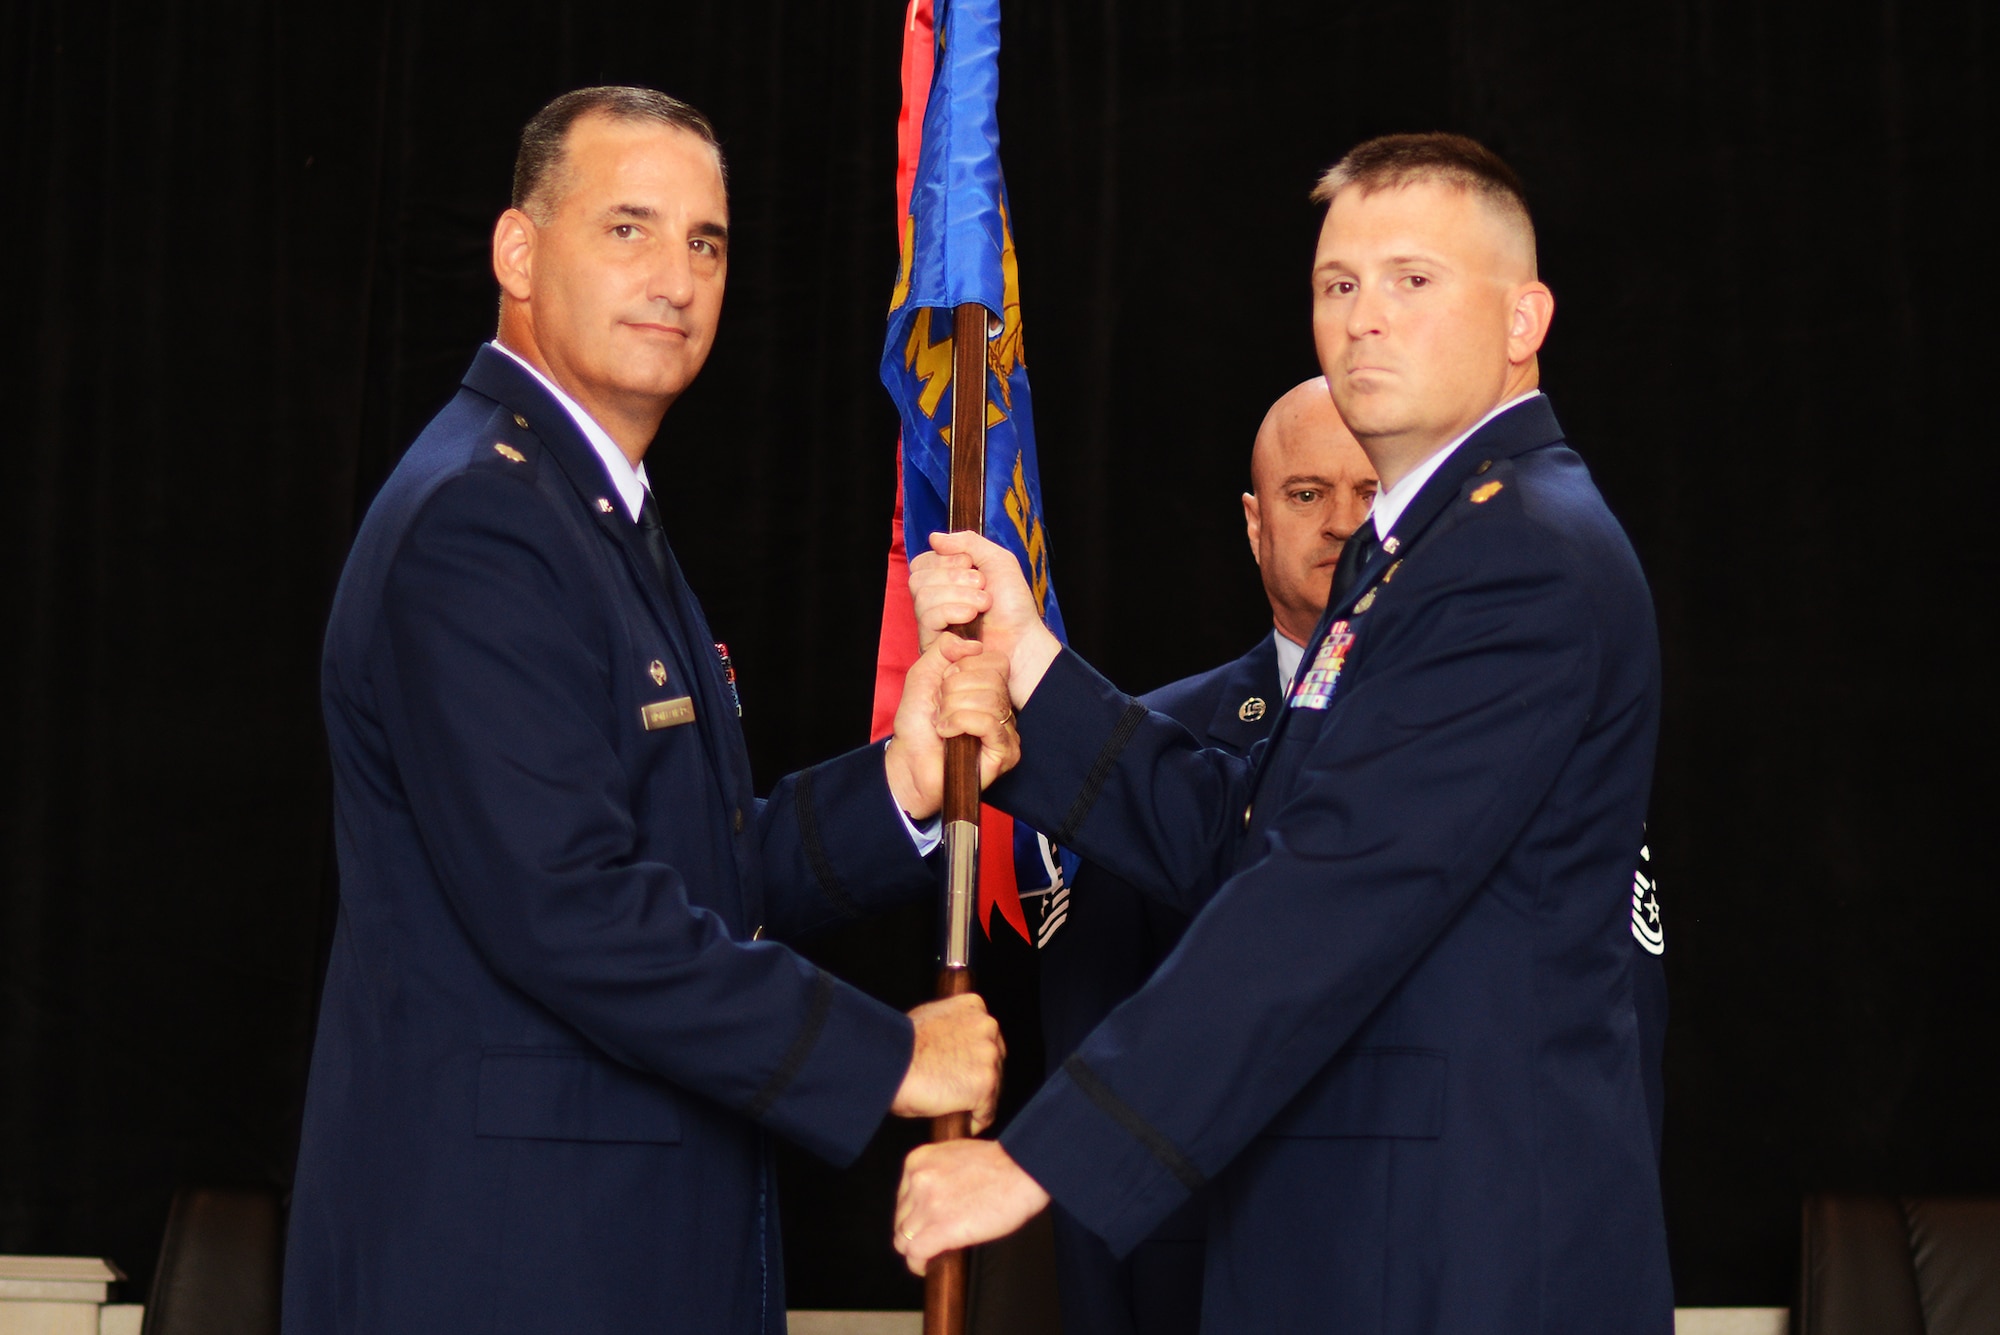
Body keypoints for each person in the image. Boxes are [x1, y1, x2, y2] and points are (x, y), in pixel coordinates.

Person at [898, 133, 1672, 1332]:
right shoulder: (1411, 555)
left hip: (1456, 1261)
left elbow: (1327, 894)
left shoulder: (1519, 556)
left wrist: (1039, 1157)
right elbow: (1248, 835)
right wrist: (1028, 662)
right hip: (1362, 1242)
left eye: (1413, 280)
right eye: (1337, 284)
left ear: (1524, 318)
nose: (1364, 318)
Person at [285, 87, 1018, 1335]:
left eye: (705, 242)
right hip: (512, 1267)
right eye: (627, 229)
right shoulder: (482, 520)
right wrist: (885, 1059)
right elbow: (572, 909)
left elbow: (699, 867)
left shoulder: (590, 511)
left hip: (619, 1250)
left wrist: (894, 787)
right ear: (518, 253)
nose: (674, 278)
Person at [1037, 377, 1375, 1335]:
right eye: (1307, 494)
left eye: (1368, 493)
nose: (1341, 523)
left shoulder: (1481, 726)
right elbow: (1086, 1055)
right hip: (1200, 1284)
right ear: (1254, 520)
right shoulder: (1142, 748)